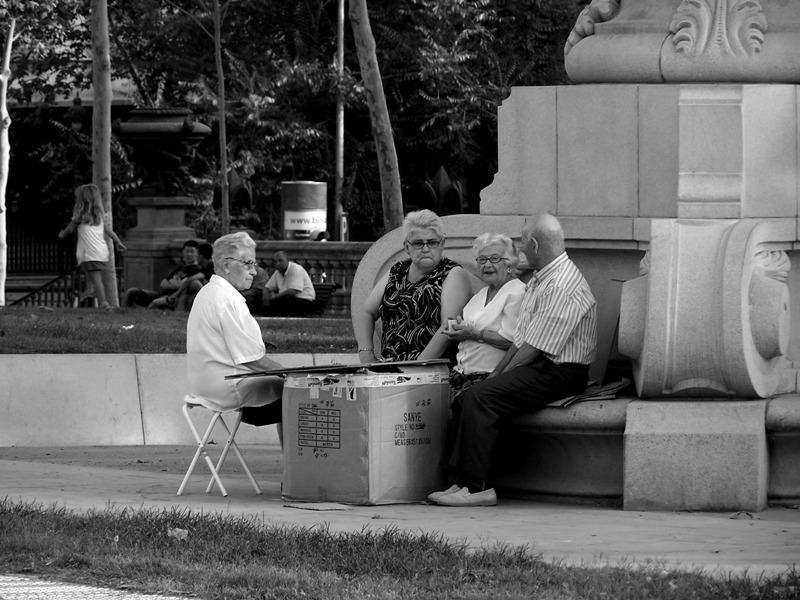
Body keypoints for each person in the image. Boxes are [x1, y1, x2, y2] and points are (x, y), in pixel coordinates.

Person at [429, 214, 597, 507]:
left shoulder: (560, 284)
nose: (520, 251)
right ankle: (457, 482)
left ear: (533, 243)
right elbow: (521, 340)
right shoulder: (542, 279)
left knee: (482, 397)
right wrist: (497, 373)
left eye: (521, 243)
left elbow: (532, 349)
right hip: (540, 364)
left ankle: (479, 487)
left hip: (560, 371)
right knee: (466, 397)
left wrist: (496, 380)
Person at [186, 231, 284, 434]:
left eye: (254, 265)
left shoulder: (208, 292)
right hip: (226, 389)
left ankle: (294, 463)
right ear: (226, 265)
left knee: (295, 390)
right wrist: (291, 374)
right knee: (303, 394)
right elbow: (251, 359)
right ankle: (296, 465)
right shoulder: (226, 299)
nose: (254, 272)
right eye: (248, 264)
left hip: (206, 387)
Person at [353, 209, 472, 363]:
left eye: (432, 242)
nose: (425, 248)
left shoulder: (452, 274)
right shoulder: (397, 271)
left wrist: (417, 365)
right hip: (389, 367)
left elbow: (448, 327)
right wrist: (366, 353)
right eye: (418, 243)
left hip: (431, 368)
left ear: (442, 244)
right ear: (406, 247)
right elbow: (366, 312)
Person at [441, 233, 526, 396]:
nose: (487, 264)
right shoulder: (480, 295)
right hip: (460, 375)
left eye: (494, 259)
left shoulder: (516, 292)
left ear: (509, 264)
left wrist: (476, 334)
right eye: (482, 259)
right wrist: (458, 329)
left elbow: (514, 342)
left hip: (489, 378)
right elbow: (469, 331)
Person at [58, 183, 127, 310]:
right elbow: (109, 231)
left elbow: (69, 230)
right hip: (101, 251)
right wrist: (118, 241)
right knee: (92, 274)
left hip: (90, 252)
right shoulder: (100, 217)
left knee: (97, 279)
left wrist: (62, 235)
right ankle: (90, 290)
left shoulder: (79, 216)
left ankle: (103, 304)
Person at [122, 240, 202, 308]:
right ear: (183, 252)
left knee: (156, 303)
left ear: (197, 254)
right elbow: (163, 283)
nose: (189, 254)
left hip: (172, 298)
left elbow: (187, 285)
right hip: (160, 294)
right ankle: (123, 313)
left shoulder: (198, 270)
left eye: (192, 252)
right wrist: (179, 283)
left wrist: (172, 283)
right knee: (131, 292)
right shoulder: (179, 268)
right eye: (187, 251)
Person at [150, 241, 214, 311]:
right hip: (172, 295)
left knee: (194, 284)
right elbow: (164, 283)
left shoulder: (211, 268)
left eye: (195, 253)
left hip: (212, 297)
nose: (193, 256)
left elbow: (189, 280)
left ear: (201, 256)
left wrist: (176, 294)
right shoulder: (206, 268)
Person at [260, 251, 316, 317]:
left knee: (285, 299)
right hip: (285, 299)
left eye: (280, 261)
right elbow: (267, 287)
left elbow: (293, 291)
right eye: (275, 261)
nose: (277, 264)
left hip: (303, 301)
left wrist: (275, 296)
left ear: (287, 260)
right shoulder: (277, 272)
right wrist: (265, 296)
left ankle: (271, 312)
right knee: (258, 297)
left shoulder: (296, 269)